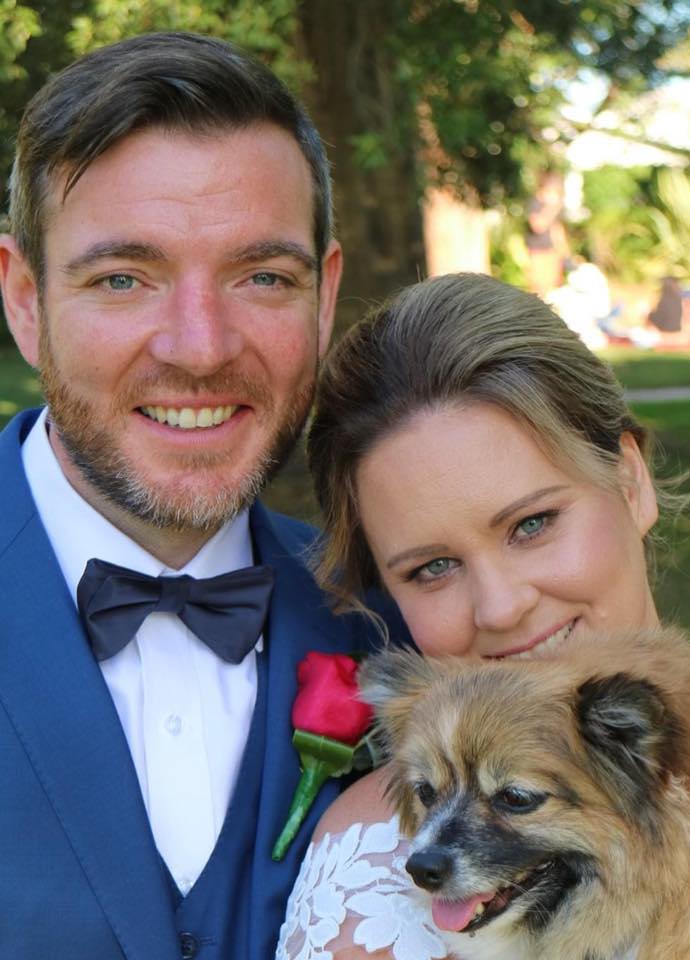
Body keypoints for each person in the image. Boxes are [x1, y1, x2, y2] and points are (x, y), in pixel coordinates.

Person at [276, 272, 690, 960]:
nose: (502, 606)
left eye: (532, 523)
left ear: (631, 483)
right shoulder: (368, 890)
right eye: (432, 568)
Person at [0, 32, 401, 960]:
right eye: (123, 279)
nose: (201, 347)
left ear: (324, 297)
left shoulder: (394, 621)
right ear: (25, 299)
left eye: (262, 277)